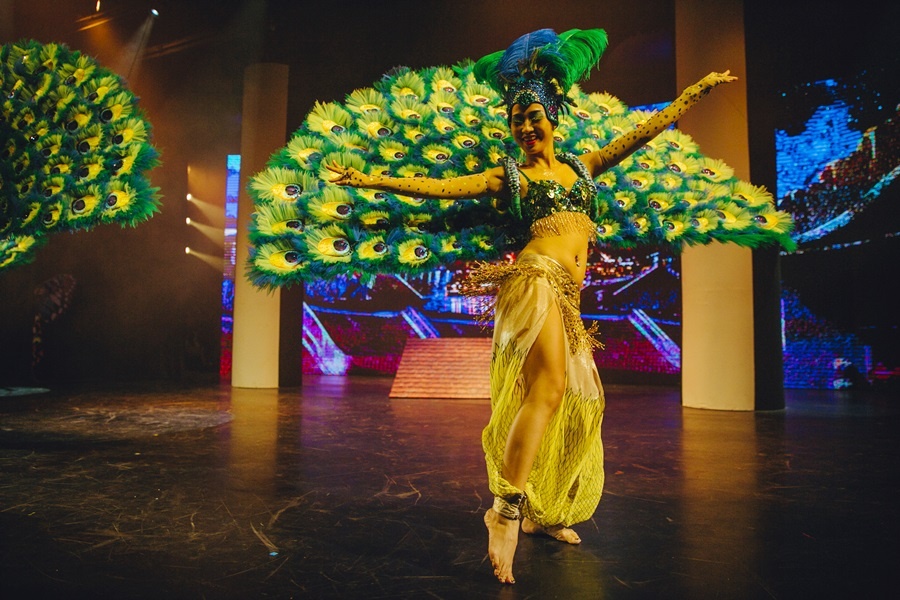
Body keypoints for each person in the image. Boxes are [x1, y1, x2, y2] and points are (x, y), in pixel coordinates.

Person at [327, 28, 736, 585]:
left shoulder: (584, 167)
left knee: (575, 399)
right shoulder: (509, 177)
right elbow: (438, 187)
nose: (524, 127)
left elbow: (642, 133)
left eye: (533, 116)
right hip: (534, 281)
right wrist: (367, 179)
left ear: (553, 117)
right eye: (516, 119)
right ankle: (505, 510)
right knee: (546, 389)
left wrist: (693, 93)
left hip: (567, 295)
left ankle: (543, 511)